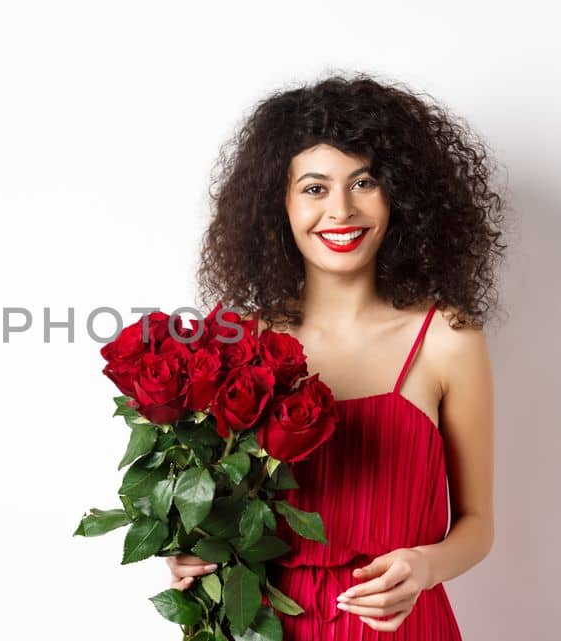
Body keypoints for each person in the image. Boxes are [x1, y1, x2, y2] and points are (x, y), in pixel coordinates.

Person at [167, 72, 505, 639]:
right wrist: (189, 554)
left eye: (364, 182)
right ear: (281, 204)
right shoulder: (235, 341)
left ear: (401, 193)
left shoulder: (448, 339)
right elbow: (213, 507)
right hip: (263, 624)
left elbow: (477, 525)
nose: (342, 210)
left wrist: (425, 567)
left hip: (398, 627)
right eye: (316, 188)